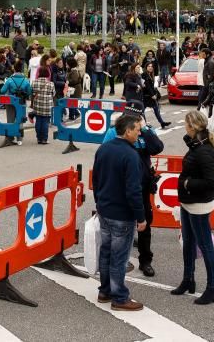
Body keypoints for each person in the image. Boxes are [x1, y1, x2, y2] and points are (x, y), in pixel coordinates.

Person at [91, 110, 147, 311]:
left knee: (105, 252)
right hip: (122, 215)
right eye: (138, 130)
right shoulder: (130, 155)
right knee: (119, 257)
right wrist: (140, 217)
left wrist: (99, 203)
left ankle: (104, 290)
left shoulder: (104, 149)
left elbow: (96, 180)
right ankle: (120, 297)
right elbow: (133, 190)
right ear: (128, 130)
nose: (140, 134)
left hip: (105, 210)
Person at [101, 102, 164, 277]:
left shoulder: (145, 131)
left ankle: (146, 260)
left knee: (145, 224)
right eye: (127, 115)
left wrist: (144, 129)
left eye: (134, 117)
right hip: (120, 187)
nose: (129, 119)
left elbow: (157, 148)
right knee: (121, 225)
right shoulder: (114, 131)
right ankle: (118, 261)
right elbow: (106, 155)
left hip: (141, 187)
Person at [171, 110, 214, 304]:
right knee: (188, 243)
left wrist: (187, 184)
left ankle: (213, 288)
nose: (184, 127)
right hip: (188, 202)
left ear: (192, 126)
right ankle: (188, 279)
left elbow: (212, 182)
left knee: (206, 246)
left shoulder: (204, 150)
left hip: (198, 205)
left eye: (185, 124)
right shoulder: (197, 144)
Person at [30, 66, 55, 145]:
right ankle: (44, 139)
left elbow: (32, 93)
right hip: (47, 106)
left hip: (37, 105)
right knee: (45, 122)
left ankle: (39, 138)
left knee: (38, 121)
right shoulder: (51, 84)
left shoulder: (34, 82)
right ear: (47, 73)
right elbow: (53, 94)